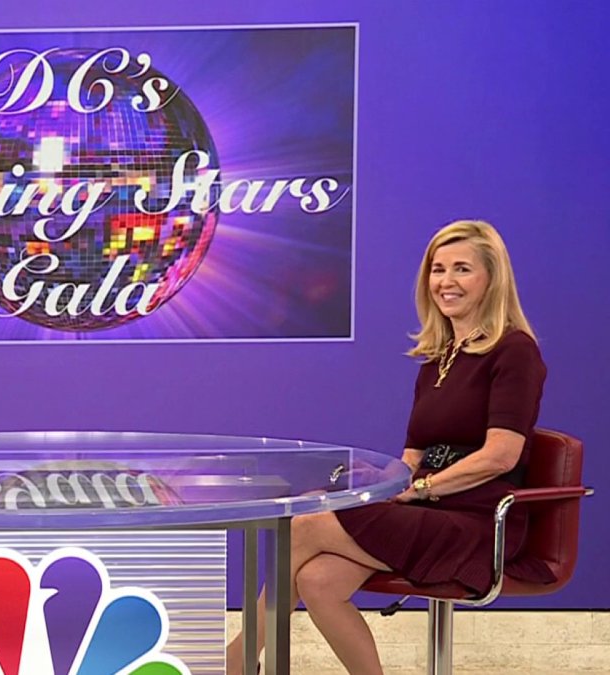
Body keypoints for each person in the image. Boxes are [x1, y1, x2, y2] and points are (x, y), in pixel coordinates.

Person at [226, 220, 555, 675]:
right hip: (429, 510)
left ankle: (239, 660)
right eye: (438, 269)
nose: (446, 281)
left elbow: (501, 455)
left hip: (478, 522)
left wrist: (420, 489)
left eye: (462, 269)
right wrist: (381, 482)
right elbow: (413, 456)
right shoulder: (438, 357)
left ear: (492, 279)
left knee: (303, 525)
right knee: (319, 580)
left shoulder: (514, 350)